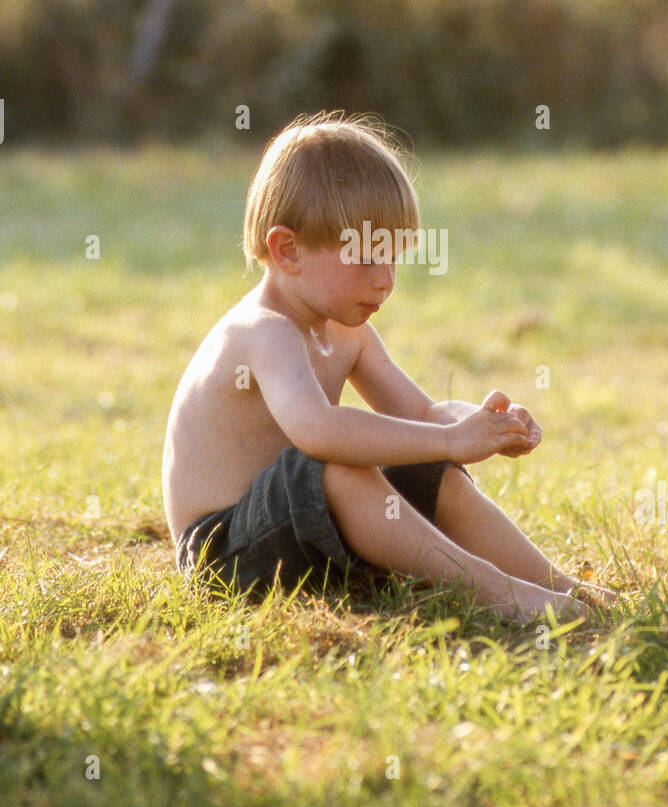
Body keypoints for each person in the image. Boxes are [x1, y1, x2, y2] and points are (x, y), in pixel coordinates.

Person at [162, 110, 617, 624]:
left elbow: (421, 413)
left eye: (394, 256)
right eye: (365, 259)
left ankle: (556, 584)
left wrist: (482, 426)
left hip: (306, 541)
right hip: (226, 557)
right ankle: (495, 591)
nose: (386, 281)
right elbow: (321, 432)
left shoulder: (347, 331)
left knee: (426, 452)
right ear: (287, 250)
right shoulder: (264, 332)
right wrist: (448, 440)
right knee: (337, 468)